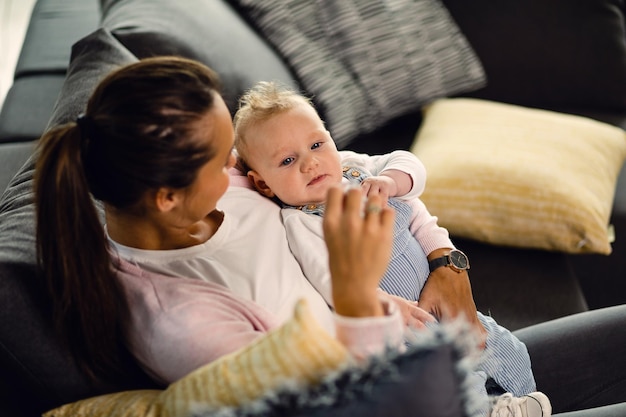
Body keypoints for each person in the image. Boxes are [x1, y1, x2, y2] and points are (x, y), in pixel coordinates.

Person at [32, 56, 626, 417]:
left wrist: (448, 261)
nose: (238, 169)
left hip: (441, 350)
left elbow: (364, 169)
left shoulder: (218, 187)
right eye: (225, 161)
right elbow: (356, 406)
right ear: (168, 198)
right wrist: (355, 292)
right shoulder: (182, 324)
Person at [231, 80, 542, 405]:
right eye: (287, 161)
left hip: (451, 306)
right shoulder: (299, 222)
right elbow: (331, 280)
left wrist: (391, 182)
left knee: (508, 351)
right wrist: (382, 303)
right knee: (453, 384)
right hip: (407, 327)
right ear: (263, 185)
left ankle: (526, 399)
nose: (310, 163)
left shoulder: (355, 167)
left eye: (317, 144)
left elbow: (410, 164)